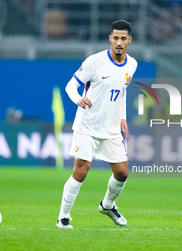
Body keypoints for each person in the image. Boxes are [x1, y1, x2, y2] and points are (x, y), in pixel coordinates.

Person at [56, 20, 137, 229]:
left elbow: (122, 91)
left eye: (123, 38)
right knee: (81, 171)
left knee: (122, 172)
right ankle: (63, 217)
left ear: (129, 40)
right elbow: (70, 86)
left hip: (111, 129)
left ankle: (107, 205)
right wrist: (77, 100)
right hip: (87, 125)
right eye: (115, 38)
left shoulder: (132, 64)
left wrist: (122, 117)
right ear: (110, 38)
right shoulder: (94, 61)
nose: (119, 42)